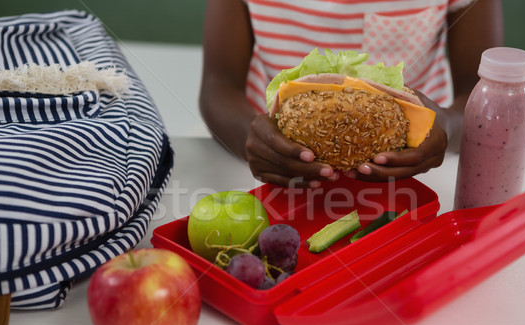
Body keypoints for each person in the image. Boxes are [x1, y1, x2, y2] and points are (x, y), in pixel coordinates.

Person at [199, 0, 504, 188]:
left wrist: (447, 128)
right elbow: (218, 85)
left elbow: (483, 93)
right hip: (275, 166)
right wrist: (250, 140)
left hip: (415, 173)